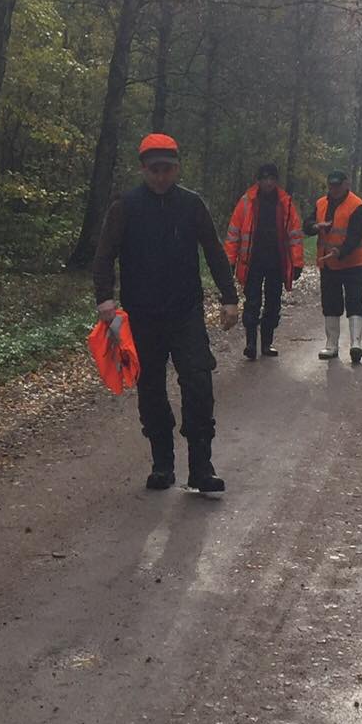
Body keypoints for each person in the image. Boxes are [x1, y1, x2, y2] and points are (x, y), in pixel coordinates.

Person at [91, 133, 240, 493]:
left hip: (186, 312)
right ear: (143, 169)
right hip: (142, 315)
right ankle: (162, 464)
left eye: (167, 169)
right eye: (154, 169)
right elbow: (104, 254)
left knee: (198, 383)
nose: (161, 176)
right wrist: (105, 299)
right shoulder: (125, 206)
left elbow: (214, 251)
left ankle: (201, 468)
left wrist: (229, 297)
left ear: (177, 168)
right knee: (151, 389)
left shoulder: (192, 204)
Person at [224, 162, 303, 360]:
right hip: (252, 261)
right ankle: (250, 343)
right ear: (258, 180)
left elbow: (295, 235)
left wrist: (297, 263)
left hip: (276, 262)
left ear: (276, 181)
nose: (268, 182)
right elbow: (233, 234)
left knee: (273, 303)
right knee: (252, 302)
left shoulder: (285, 202)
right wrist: (229, 261)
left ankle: (267, 343)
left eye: (272, 179)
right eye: (265, 178)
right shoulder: (246, 201)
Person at [309, 168, 362, 363]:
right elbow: (307, 224)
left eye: (337, 185)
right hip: (328, 264)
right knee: (330, 304)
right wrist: (314, 226)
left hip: (354, 264)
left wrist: (341, 252)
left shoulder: (357, 205)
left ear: (346, 184)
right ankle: (331, 345)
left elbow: (356, 235)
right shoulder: (320, 203)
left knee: (354, 301)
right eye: (331, 185)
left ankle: (355, 344)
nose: (334, 189)